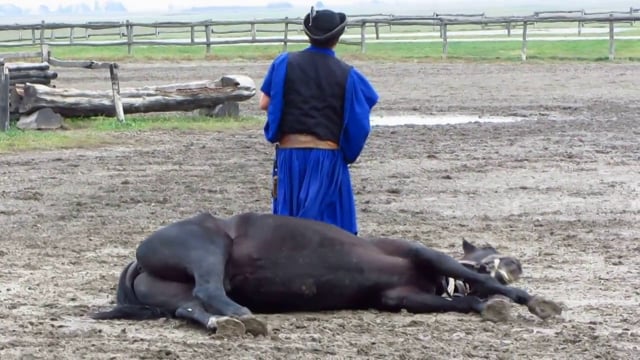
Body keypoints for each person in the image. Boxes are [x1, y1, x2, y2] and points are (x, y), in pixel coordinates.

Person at [258, 7, 379, 235]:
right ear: (338, 38)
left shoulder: (284, 63)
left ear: (308, 34)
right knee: (330, 231)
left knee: (288, 230)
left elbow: (264, 103)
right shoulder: (348, 74)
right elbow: (360, 121)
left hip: (290, 156)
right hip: (327, 158)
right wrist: (347, 153)